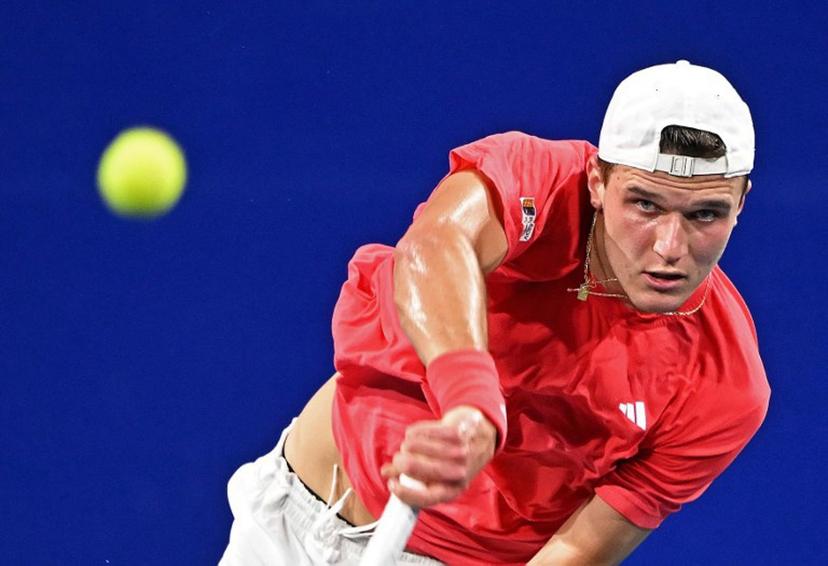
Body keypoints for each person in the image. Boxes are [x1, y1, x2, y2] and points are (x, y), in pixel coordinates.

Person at [220, 60, 770, 565]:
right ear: (598, 183)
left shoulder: (727, 386)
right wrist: (470, 404)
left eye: (706, 214)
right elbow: (433, 246)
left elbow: (577, 550)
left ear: (741, 202)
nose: (671, 246)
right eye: (645, 204)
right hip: (287, 523)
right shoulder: (537, 181)